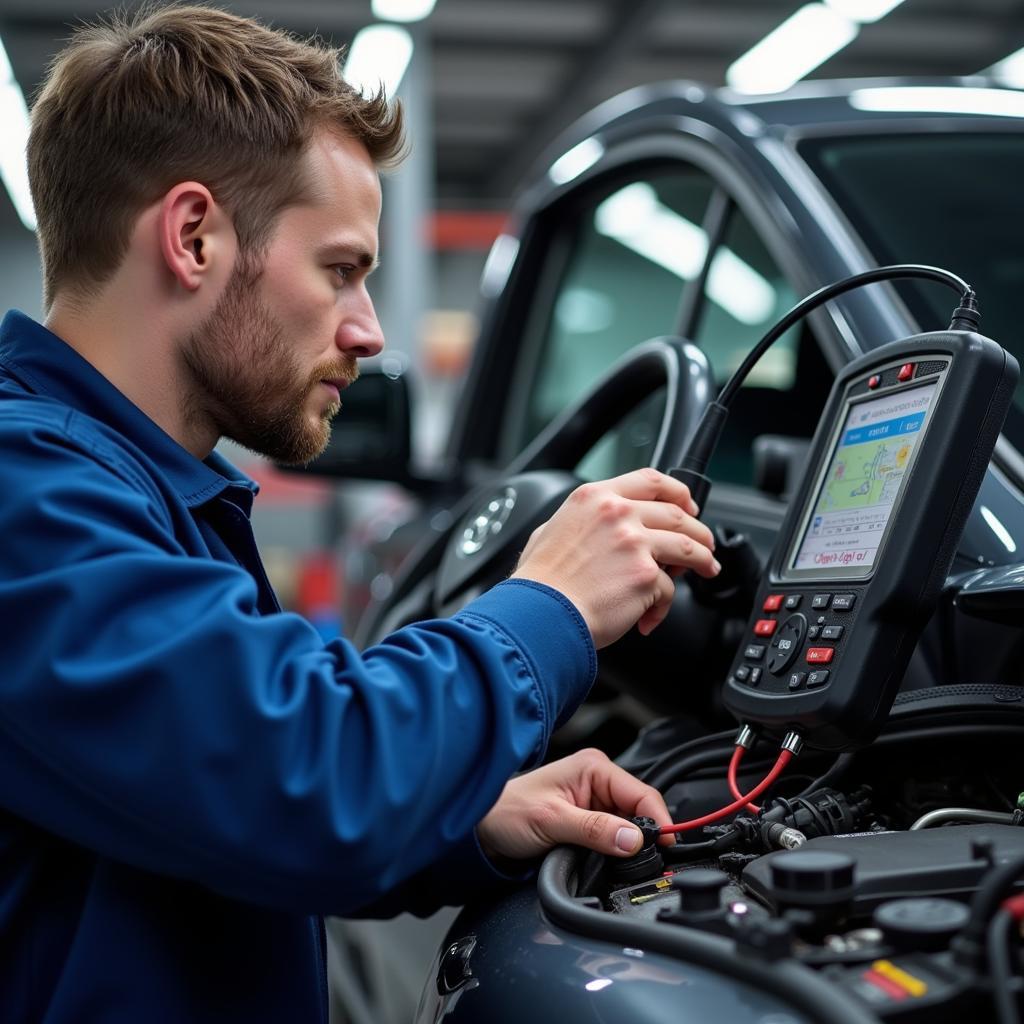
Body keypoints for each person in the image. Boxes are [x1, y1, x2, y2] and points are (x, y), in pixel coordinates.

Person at [0, 5, 720, 1022]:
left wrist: (469, 819)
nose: (370, 331)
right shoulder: (25, 493)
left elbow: (197, 819)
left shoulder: (146, 490)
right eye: (340, 268)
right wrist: (548, 604)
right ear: (194, 235)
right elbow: (304, 778)